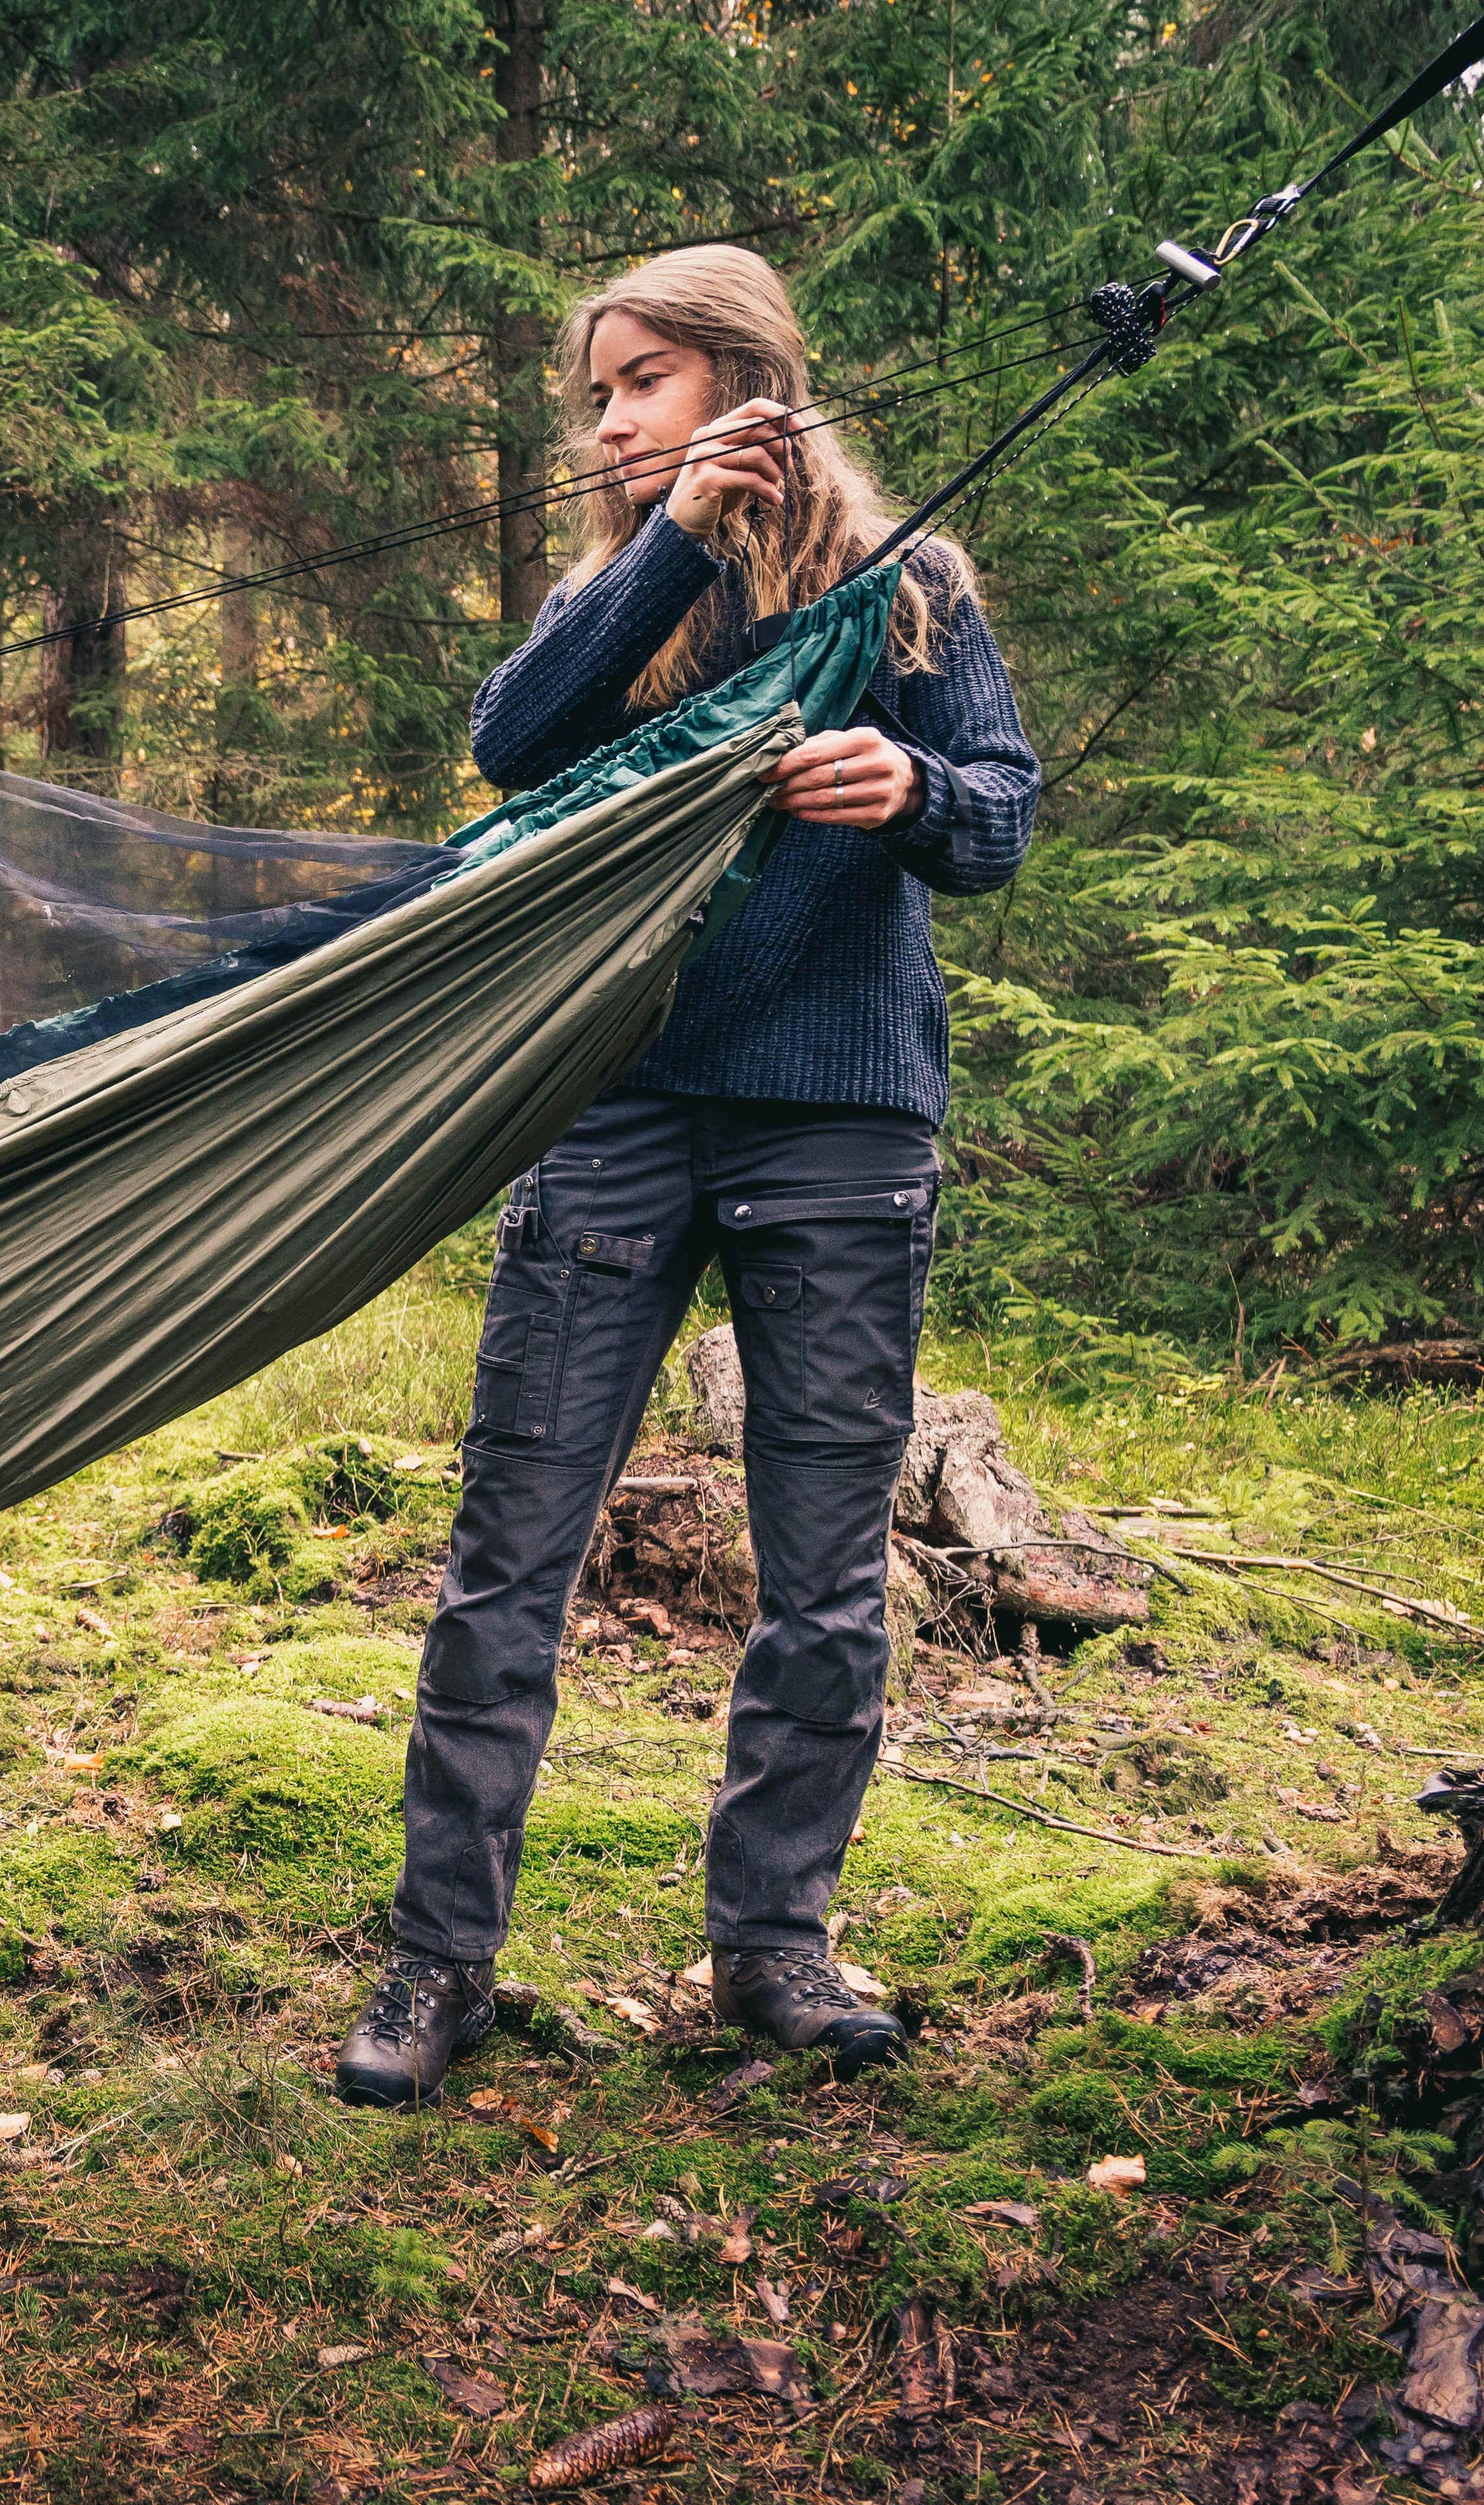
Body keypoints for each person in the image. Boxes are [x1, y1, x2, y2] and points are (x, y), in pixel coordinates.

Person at [335, 244, 1039, 2105]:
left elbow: (1003, 817)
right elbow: (511, 745)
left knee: (822, 1571)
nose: (611, 419)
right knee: (513, 1550)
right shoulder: (614, 600)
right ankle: (439, 1964)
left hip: (837, 1118)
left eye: (642, 381)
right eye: (600, 395)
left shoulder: (909, 593)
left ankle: (773, 1950)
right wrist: (673, 539)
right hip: (617, 1109)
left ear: (746, 381)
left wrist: (914, 791)